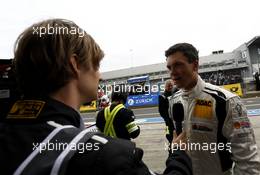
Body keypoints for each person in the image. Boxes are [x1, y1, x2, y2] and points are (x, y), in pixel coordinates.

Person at [0, 19, 193, 175]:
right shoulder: (108, 157)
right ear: (74, 64)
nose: (100, 76)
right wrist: (179, 154)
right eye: (96, 65)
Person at [166, 43, 260, 175]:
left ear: (195, 65)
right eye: (169, 67)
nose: (172, 72)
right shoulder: (173, 101)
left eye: (178, 65)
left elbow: (247, 159)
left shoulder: (225, 100)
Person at [158, 79, 175, 153]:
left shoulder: (176, 94)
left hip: (176, 120)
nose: (170, 87)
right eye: (169, 86)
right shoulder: (162, 96)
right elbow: (161, 110)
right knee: (168, 135)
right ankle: (171, 150)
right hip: (168, 122)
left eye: (171, 85)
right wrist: (166, 119)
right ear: (165, 87)